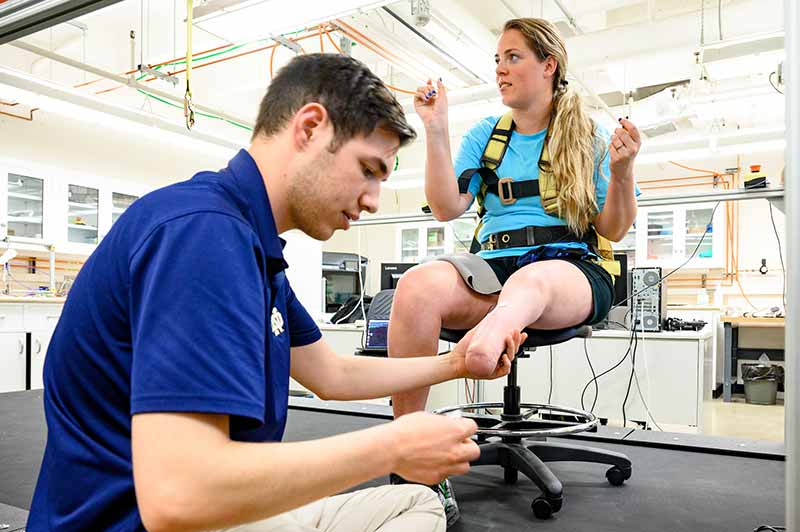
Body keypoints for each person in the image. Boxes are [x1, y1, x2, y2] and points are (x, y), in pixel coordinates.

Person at [26, 53, 525, 532]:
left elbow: (332, 373)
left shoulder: (250, 243)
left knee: (414, 503)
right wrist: (391, 447)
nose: (374, 201)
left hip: (225, 513)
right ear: (310, 128)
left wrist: (456, 362)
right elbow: (179, 496)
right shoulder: (204, 236)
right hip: (152, 520)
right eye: (369, 170)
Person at [388, 17, 641, 521]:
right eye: (497, 60)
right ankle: (411, 455)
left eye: (513, 57)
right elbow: (445, 207)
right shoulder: (486, 135)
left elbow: (612, 227)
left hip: (571, 267)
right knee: (416, 286)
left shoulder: (588, 135)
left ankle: (485, 344)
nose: (500, 70)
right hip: (493, 266)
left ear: (549, 66)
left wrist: (621, 172)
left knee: (534, 278)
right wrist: (435, 128)